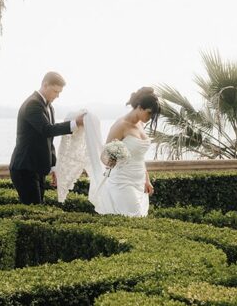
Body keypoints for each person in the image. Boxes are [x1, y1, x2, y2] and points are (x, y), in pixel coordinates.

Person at [9, 71, 85, 204]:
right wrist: (75, 123)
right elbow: (47, 130)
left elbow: (49, 141)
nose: (57, 96)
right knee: (33, 209)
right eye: (55, 91)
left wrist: (53, 166)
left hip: (36, 168)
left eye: (59, 92)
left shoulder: (49, 106)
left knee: (37, 208)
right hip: (25, 168)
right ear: (45, 85)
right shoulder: (33, 104)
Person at [91, 87, 160, 217]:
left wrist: (147, 180)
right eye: (149, 113)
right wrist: (110, 161)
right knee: (133, 216)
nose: (150, 117)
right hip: (123, 180)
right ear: (139, 107)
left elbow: (139, 157)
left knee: (139, 218)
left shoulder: (141, 124)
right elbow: (104, 155)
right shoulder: (121, 125)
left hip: (139, 180)